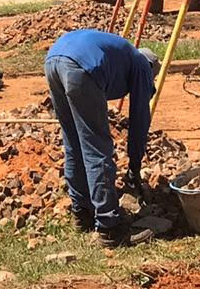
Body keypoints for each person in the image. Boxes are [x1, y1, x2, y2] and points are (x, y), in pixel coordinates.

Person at [44, 28, 157, 247]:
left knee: (73, 143)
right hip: (81, 66)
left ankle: (82, 213)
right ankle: (109, 228)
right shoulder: (143, 66)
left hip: (54, 60)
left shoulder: (123, 56)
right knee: (96, 148)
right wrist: (134, 166)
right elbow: (139, 120)